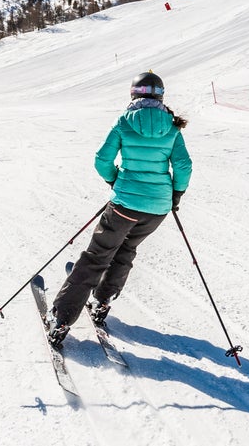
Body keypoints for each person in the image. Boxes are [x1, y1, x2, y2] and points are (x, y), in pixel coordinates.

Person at [47, 71, 192, 347]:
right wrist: (175, 195)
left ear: (133, 94)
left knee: (96, 257)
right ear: (161, 96)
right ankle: (102, 302)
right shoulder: (172, 128)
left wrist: (116, 180)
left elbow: (103, 159)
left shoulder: (125, 122)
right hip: (157, 209)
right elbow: (183, 166)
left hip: (125, 205)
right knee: (125, 251)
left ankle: (62, 318)